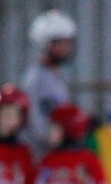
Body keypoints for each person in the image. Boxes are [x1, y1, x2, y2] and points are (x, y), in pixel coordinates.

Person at [21, 10, 76, 158]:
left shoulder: (54, 77)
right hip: (40, 156)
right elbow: (33, 118)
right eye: (58, 43)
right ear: (43, 44)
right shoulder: (36, 78)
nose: (65, 47)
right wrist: (51, 136)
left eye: (67, 42)